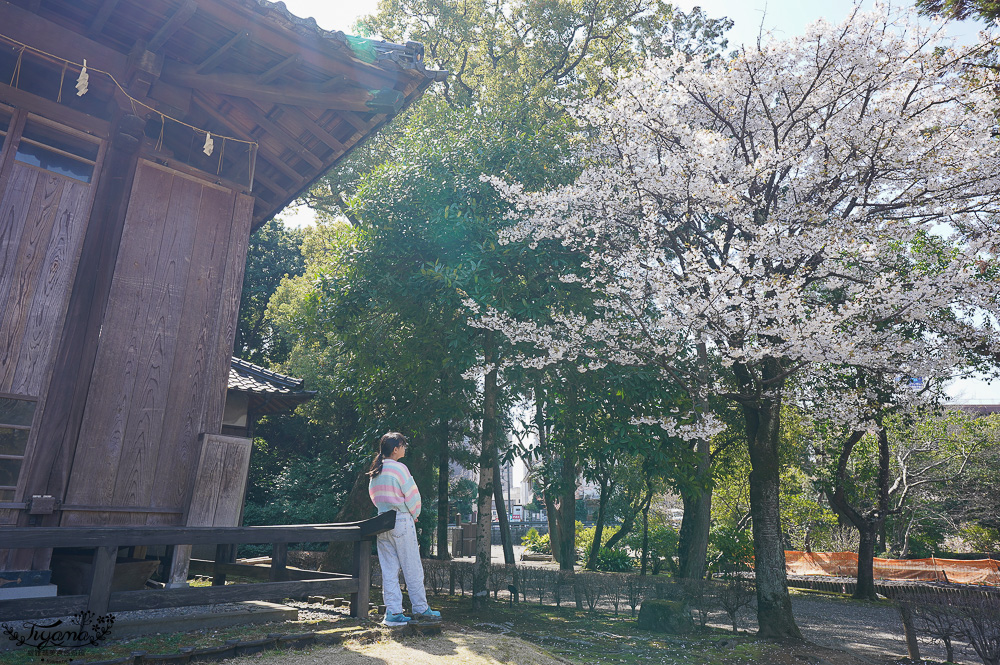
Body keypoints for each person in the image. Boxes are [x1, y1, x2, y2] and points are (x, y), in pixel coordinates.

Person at [367, 431, 441, 626]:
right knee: (412, 567)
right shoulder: (400, 469)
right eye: (403, 445)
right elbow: (413, 496)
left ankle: (393, 613)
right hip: (401, 520)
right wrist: (414, 514)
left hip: (382, 522)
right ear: (395, 448)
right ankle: (421, 609)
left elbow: (374, 498)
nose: (405, 448)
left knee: (389, 569)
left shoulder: (376, 471)